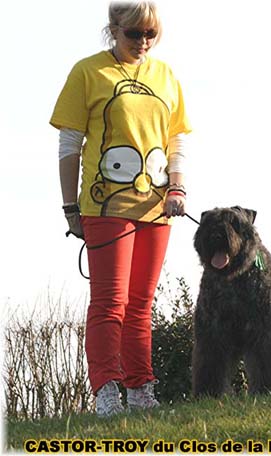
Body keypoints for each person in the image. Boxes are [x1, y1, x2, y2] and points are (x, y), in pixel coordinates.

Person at [50, 1, 191, 417]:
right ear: (113, 29)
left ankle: (142, 389)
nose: (143, 42)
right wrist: (69, 208)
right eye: (134, 34)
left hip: (157, 206)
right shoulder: (87, 72)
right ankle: (106, 391)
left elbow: (176, 140)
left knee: (141, 303)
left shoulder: (165, 75)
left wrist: (178, 187)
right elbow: (68, 146)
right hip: (104, 205)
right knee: (110, 301)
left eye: (151, 34)